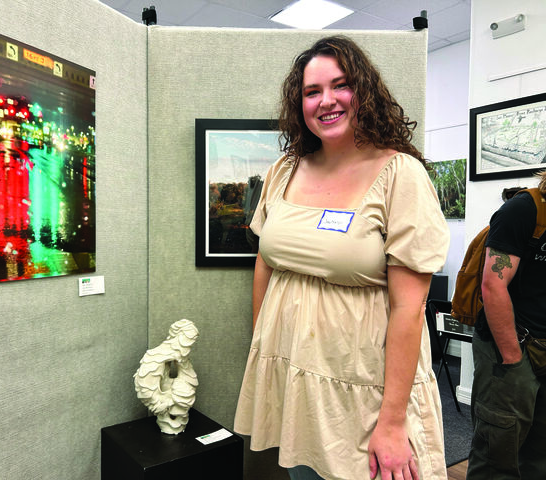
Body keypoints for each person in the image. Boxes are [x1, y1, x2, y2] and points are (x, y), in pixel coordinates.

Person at [233, 36, 450, 480]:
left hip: (365, 389)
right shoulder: (284, 171)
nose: (326, 101)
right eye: (312, 92)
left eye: (340, 85)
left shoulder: (399, 174)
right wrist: (264, 349)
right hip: (296, 379)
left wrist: (391, 423)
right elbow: (265, 264)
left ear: (364, 91)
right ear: (299, 103)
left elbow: (410, 308)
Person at [466, 173, 546, 479]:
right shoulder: (523, 210)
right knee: (497, 455)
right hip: (511, 349)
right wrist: (512, 358)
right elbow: (493, 285)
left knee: (540, 458)